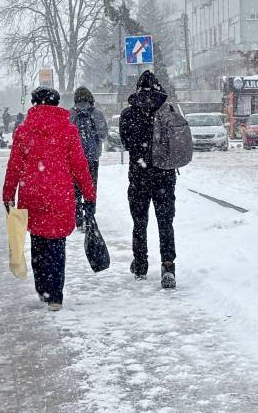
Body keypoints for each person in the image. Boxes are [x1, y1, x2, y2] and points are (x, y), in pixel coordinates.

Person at [2, 86, 96, 311]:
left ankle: (42, 287)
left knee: (38, 242)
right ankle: (55, 295)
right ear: (56, 104)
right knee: (57, 245)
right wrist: (89, 193)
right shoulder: (69, 129)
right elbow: (79, 165)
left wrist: (8, 194)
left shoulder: (24, 130)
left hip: (32, 193)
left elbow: (14, 166)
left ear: (34, 104)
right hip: (60, 194)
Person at [119, 70, 178, 289]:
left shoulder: (128, 114)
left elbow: (125, 143)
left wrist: (141, 152)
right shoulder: (168, 111)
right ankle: (168, 265)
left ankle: (141, 264)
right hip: (165, 175)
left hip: (139, 176)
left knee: (139, 223)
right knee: (165, 223)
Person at [70, 86, 107, 230]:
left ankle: (78, 218)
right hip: (92, 158)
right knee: (91, 188)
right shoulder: (97, 114)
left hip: (74, 159)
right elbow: (103, 134)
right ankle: (90, 217)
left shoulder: (70, 114)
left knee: (75, 189)